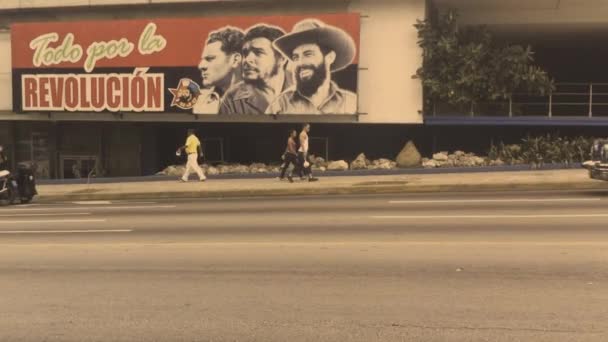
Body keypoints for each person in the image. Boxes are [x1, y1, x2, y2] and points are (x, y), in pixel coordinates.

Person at [267, 19, 358, 115]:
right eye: (296, 57)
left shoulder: (351, 104)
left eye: (308, 54)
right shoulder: (280, 106)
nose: (300, 63)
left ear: (330, 57)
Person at [219, 24, 291, 115]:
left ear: (282, 58)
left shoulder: (304, 89)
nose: (247, 60)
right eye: (245, 53)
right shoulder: (232, 98)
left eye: (258, 52)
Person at [193, 27, 245, 114]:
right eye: (202, 60)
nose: (201, 66)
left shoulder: (259, 101)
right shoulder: (200, 101)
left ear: (235, 60)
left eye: (210, 59)